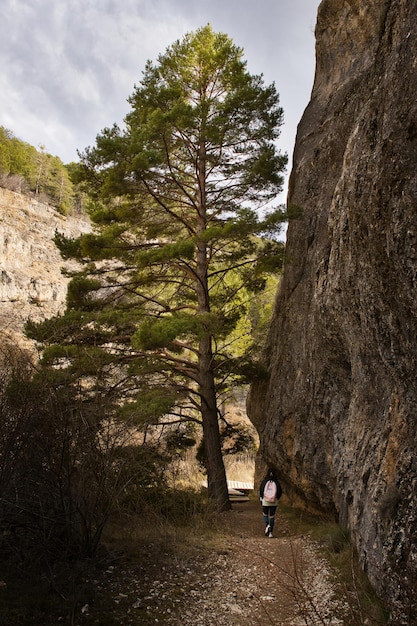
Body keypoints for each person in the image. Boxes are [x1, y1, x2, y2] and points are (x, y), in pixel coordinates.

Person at [259, 467, 282, 538]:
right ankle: (270, 533)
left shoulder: (265, 481)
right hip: (274, 501)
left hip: (265, 501)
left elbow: (261, 490)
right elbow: (279, 491)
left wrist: (261, 498)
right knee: (272, 516)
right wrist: (277, 498)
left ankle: (267, 525)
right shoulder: (277, 482)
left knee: (265, 514)